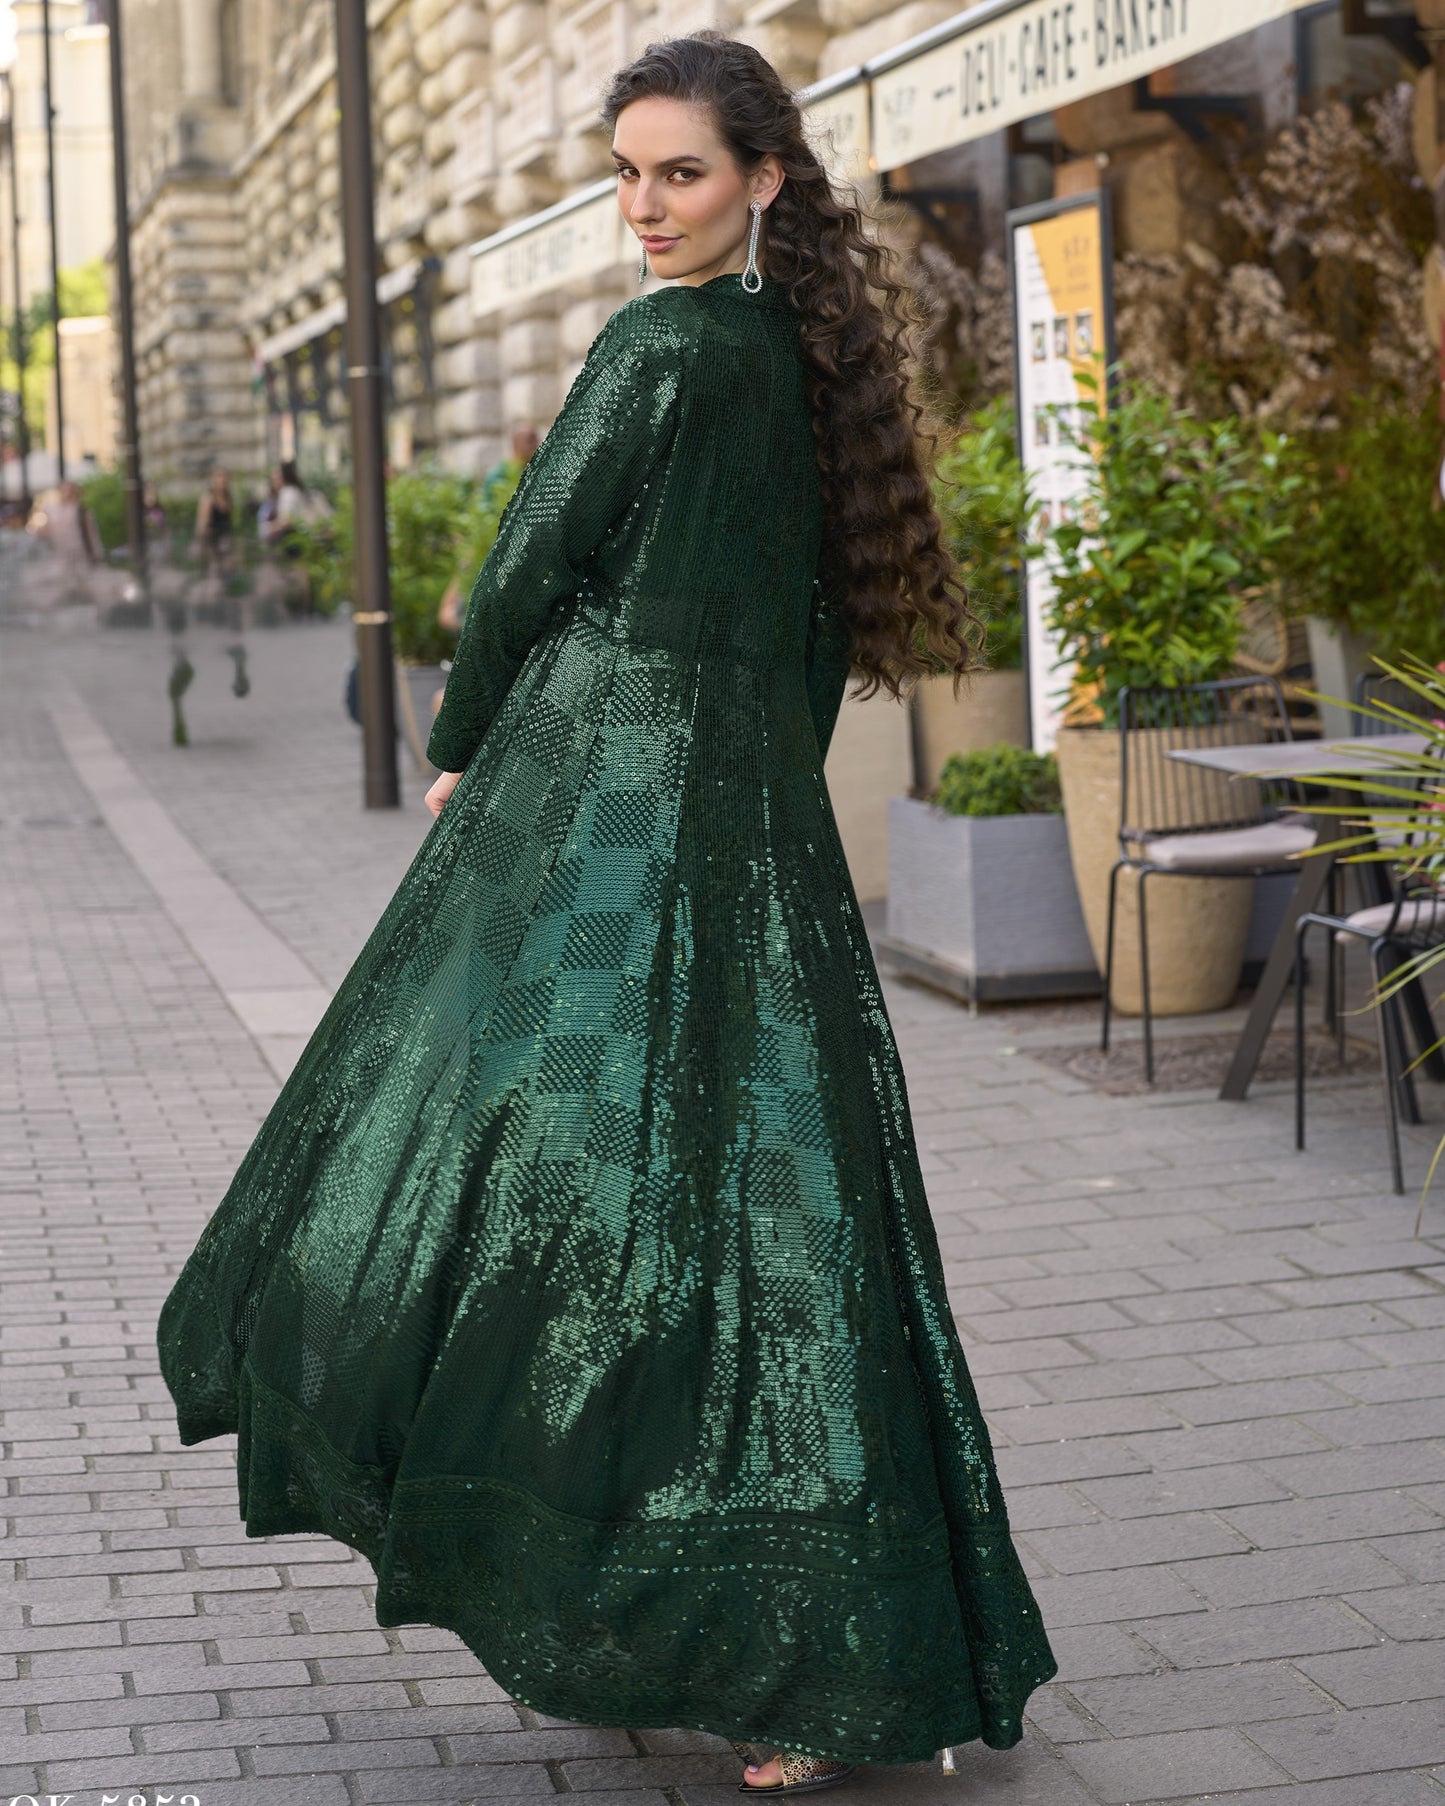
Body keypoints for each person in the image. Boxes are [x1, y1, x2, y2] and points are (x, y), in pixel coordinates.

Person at [156, 32, 1054, 1798]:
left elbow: (522, 567)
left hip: (603, 804)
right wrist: (759, 809)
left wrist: (461, 743)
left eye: (682, 174)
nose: (644, 209)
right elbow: (810, 635)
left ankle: (624, 1577)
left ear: (764, 181)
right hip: (751, 824)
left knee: (481, 1143)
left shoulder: (657, 350)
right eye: (627, 173)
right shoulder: (808, 363)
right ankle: (818, 1653)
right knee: (783, 1208)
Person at [192, 467, 236, 575]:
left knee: (228, 572)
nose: (223, 480)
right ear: (213, 480)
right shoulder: (208, 499)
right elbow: (202, 524)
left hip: (225, 541)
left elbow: (229, 524)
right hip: (212, 543)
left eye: (225, 477)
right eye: (219, 477)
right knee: (214, 573)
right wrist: (199, 543)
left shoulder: (228, 499)